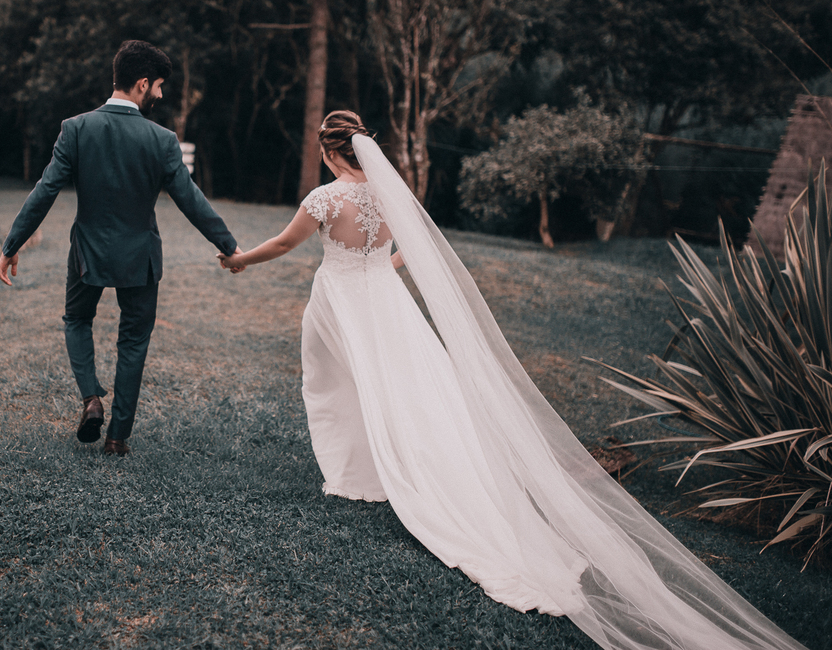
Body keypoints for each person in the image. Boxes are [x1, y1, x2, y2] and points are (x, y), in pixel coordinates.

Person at [218, 111, 805, 650]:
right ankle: (375, 465)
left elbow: (285, 244)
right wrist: (375, 263)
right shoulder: (388, 195)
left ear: (328, 152)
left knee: (337, 381)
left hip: (343, 299)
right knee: (403, 386)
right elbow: (400, 254)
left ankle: (363, 471)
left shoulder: (324, 197)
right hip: (385, 300)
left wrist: (240, 259)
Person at [0, 40, 240, 457]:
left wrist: (11, 245)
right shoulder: (162, 140)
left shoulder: (75, 128)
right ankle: (116, 438)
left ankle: (91, 398)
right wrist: (228, 245)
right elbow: (190, 199)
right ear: (142, 83)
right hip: (140, 258)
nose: (161, 95)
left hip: (87, 254)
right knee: (133, 341)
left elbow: (45, 191)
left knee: (77, 320)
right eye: (160, 86)